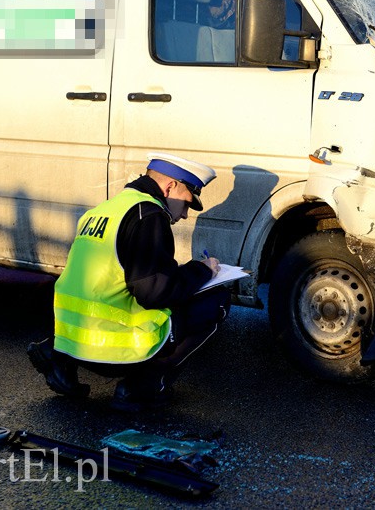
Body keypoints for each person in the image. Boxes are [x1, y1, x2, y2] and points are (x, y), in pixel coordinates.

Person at [28, 152, 231, 412]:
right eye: (187, 203)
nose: (184, 216)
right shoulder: (150, 215)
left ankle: (58, 359)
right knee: (217, 300)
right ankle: (143, 386)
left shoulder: (104, 209)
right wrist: (201, 271)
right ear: (170, 187)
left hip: (71, 341)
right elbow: (153, 293)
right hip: (116, 350)